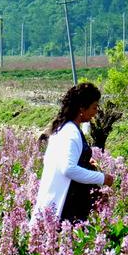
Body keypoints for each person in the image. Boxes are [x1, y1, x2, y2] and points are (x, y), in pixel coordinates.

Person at [34, 82, 114, 223]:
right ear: (81, 108)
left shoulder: (63, 128)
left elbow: (64, 160)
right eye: (94, 107)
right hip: (66, 207)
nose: (96, 112)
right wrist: (102, 178)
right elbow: (68, 168)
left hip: (61, 202)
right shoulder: (71, 132)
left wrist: (84, 162)